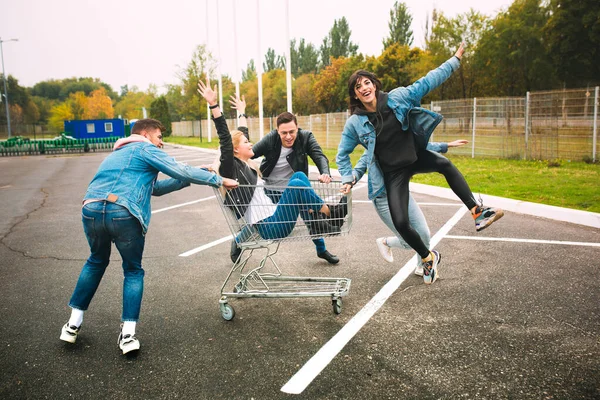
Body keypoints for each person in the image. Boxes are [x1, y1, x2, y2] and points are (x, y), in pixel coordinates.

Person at [59, 118, 238, 354]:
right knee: (132, 270)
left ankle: (72, 325)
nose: (161, 143)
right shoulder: (145, 148)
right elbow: (180, 168)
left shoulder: (118, 154)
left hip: (91, 208)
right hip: (123, 213)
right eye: (159, 137)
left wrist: (188, 180)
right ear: (145, 134)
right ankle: (128, 336)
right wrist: (218, 179)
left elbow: (155, 189)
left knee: (95, 261)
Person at [336, 43, 504, 285]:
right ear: (354, 94)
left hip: (414, 156)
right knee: (402, 223)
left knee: (444, 165)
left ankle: (477, 211)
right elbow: (343, 154)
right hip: (392, 173)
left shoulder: (399, 97)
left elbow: (429, 81)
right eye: (357, 86)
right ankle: (427, 258)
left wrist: (455, 59)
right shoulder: (355, 123)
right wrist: (346, 177)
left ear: (374, 84)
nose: (364, 88)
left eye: (367, 82)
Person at [197, 79, 348, 251]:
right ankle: (331, 213)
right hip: (270, 226)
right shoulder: (232, 168)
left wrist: (242, 113)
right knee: (297, 184)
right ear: (236, 149)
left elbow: (242, 133)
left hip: (275, 216)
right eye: (246, 142)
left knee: (299, 177)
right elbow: (226, 139)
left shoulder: (246, 165)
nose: (250, 144)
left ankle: (320, 223)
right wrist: (214, 105)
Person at [230, 97, 341, 265]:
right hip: (272, 190)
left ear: (297, 128)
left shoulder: (305, 137)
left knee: (310, 215)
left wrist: (325, 172)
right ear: (277, 131)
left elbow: (319, 155)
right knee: (261, 218)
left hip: (295, 188)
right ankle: (238, 241)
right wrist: (242, 116)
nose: (288, 136)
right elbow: (247, 151)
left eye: (292, 132)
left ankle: (321, 250)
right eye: (284, 133)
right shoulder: (271, 139)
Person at [367, 140, 468, 272]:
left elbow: (420, 145)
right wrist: (349, 180)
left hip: (402, 194)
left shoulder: (399, 137)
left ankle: (422, 266)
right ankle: (385, 242)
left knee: (424, 234)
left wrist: (446, 145)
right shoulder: (376, 144)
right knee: (408, 241)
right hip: (383, 198)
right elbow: (362, 163)